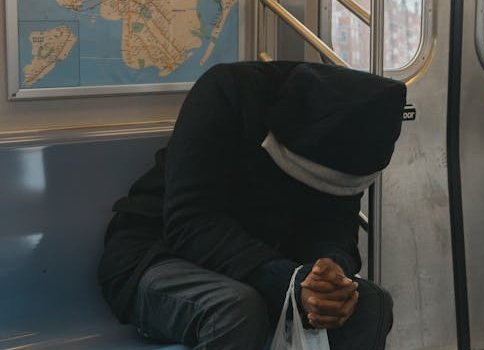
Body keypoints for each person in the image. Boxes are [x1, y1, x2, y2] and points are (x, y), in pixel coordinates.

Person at [97, 61, 407, 350]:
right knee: (238, 307)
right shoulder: (226, 92)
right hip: (158, 255)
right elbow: (189, 223)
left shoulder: (355, 131)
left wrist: (329, 273)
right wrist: (290, 281)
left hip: (269, 263)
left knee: (371, 304)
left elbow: (335, 226)